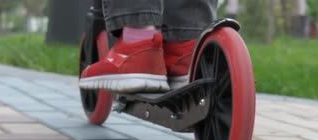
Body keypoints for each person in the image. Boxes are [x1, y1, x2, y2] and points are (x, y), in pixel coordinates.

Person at [79, 0, 218, 93]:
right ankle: (184, 48)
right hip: (193, 54)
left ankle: (138, 37)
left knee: (139, 33)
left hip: (136, 57)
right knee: (187, 37)